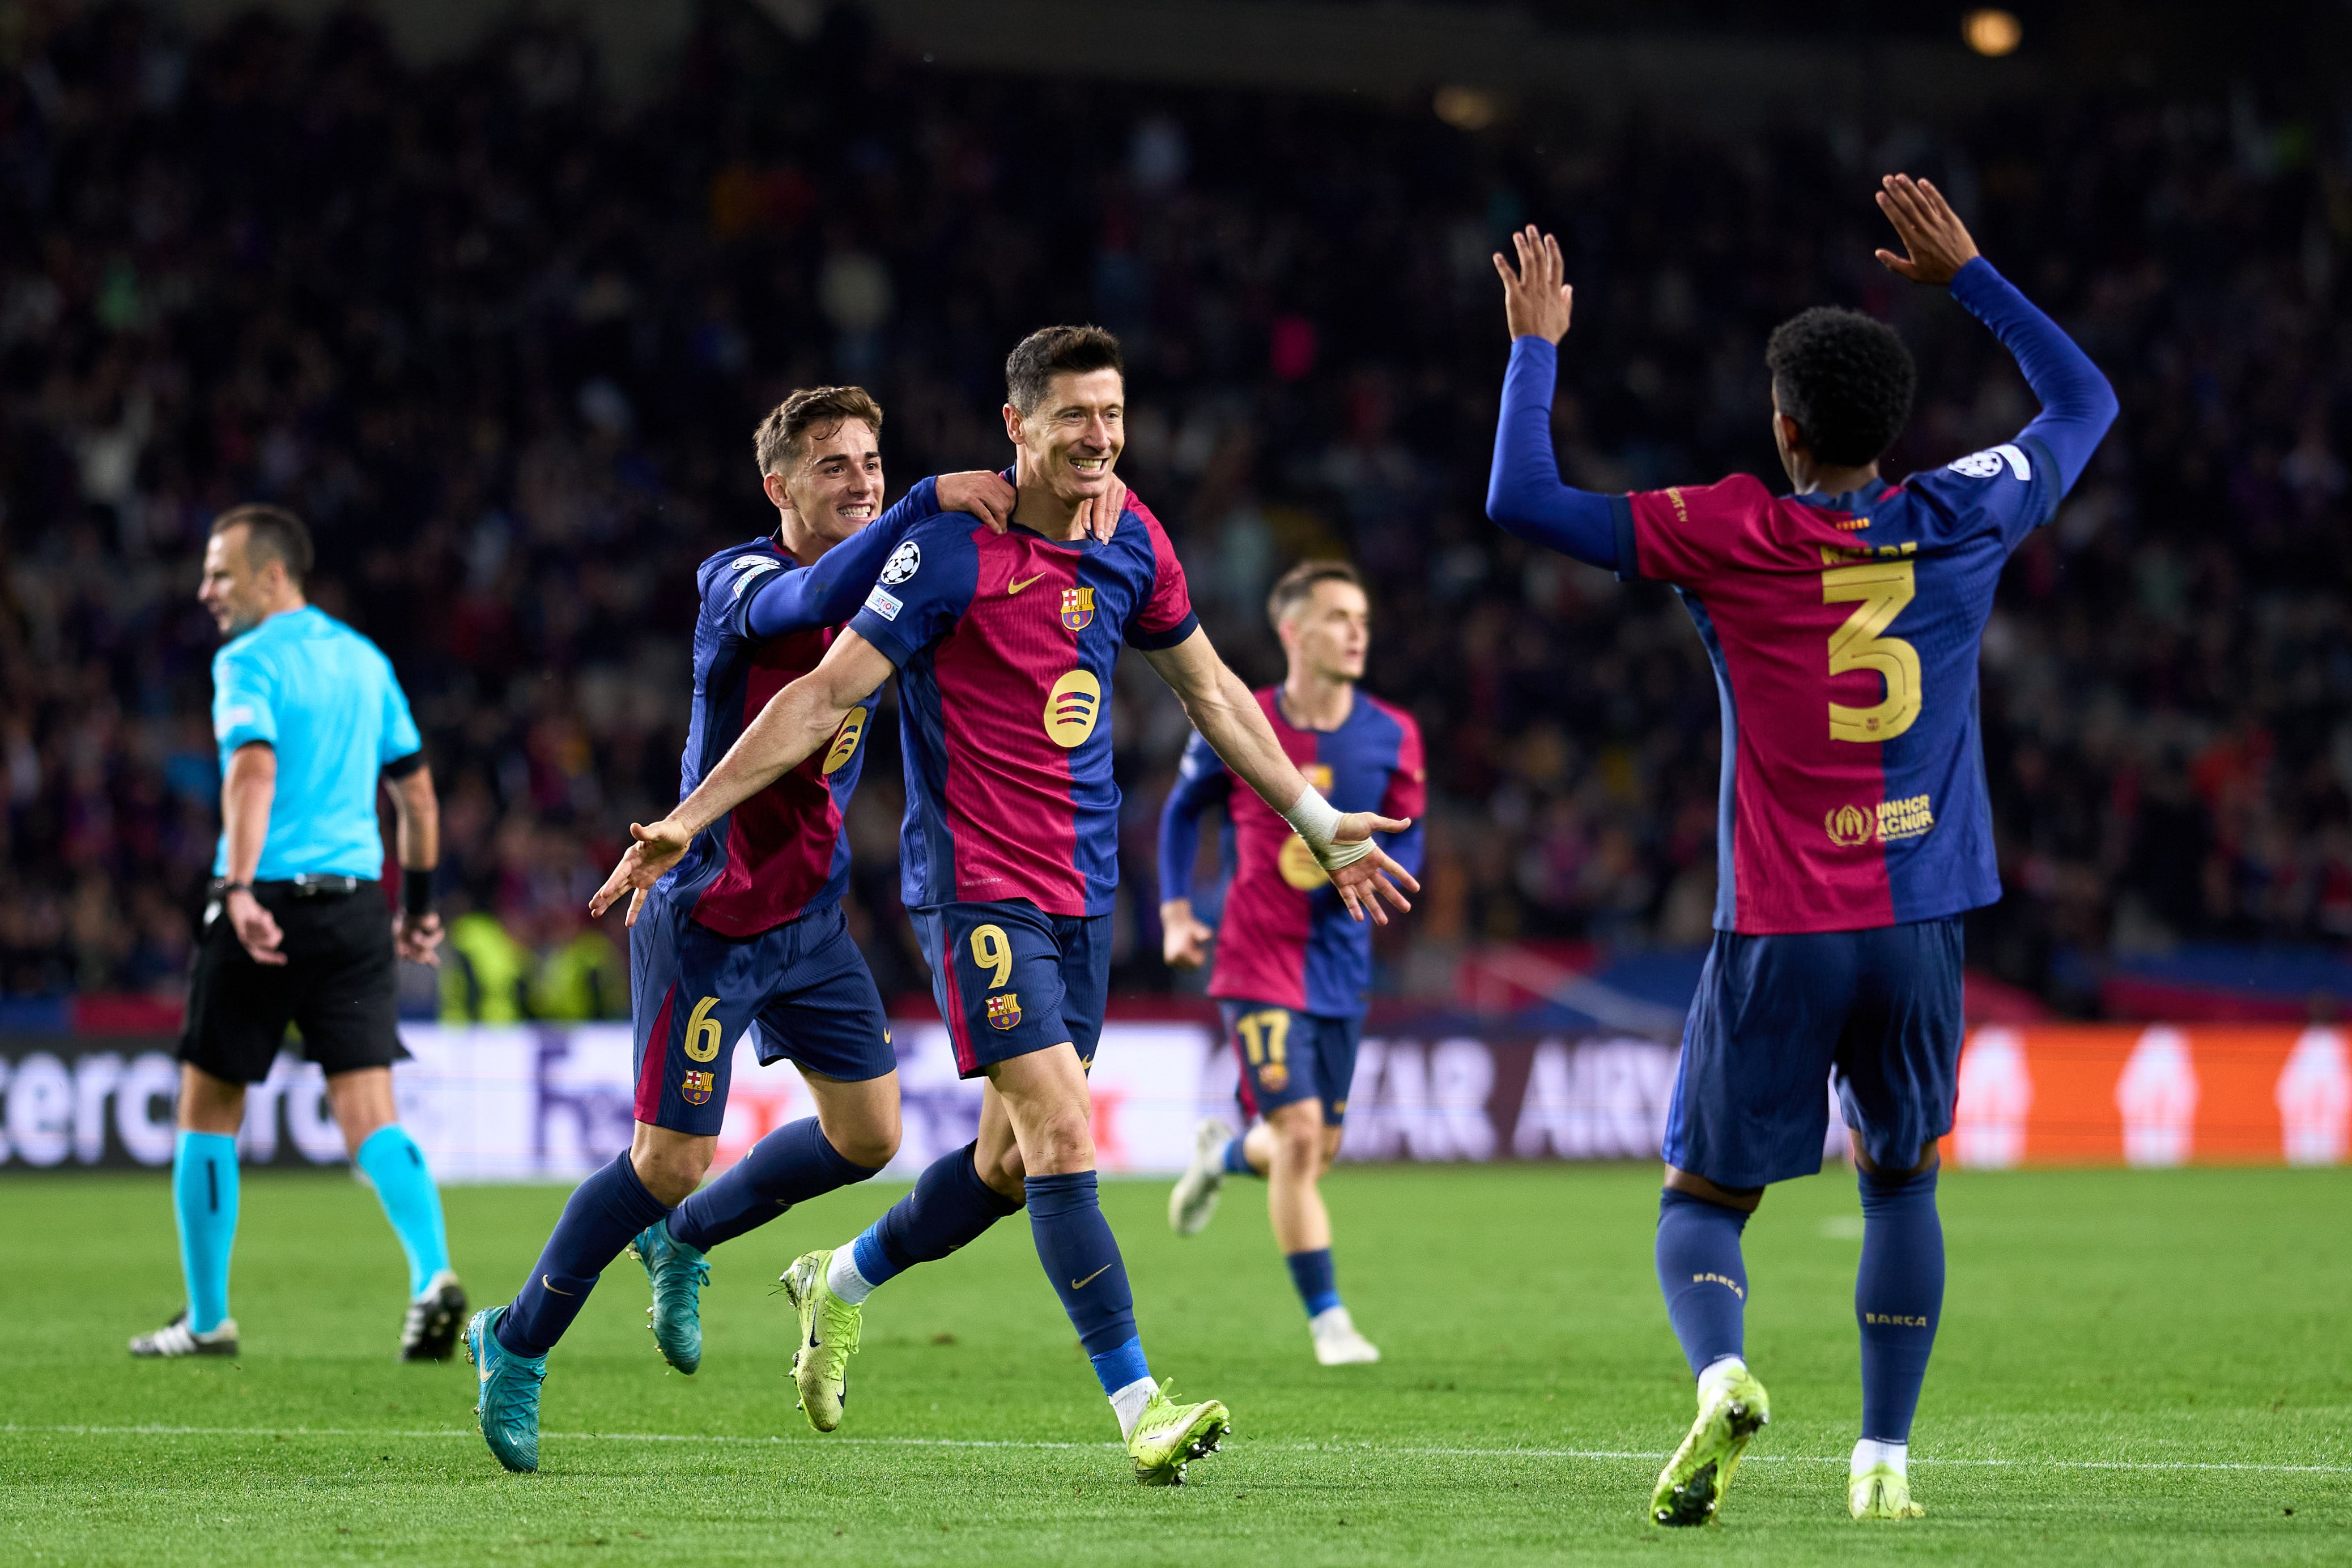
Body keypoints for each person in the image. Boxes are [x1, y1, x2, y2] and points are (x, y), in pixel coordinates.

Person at [589, 325, 1419, 1486]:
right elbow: (823, 691)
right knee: (1066, 1129)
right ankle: (1141, 1406)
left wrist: (1313, 819)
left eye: (1115, 415)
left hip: (1084, 888)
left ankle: (843, 1280)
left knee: (1011, 1168)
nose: (1101, 438)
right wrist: (694, 811)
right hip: (976, 888)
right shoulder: (945, 551)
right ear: (1018, 426)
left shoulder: (1135, 537)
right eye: (1076, 416)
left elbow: (1214, 692)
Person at [1486, 176, 2117, 1526]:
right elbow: (2086, 404)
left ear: (1783, 431)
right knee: (1902, 1180)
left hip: (1781, 925)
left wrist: (1536, 347)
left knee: (1700, 1201)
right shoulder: (1966, 511)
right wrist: (1975, 279)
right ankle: (1883, 1461)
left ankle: (1723, 1376)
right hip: (1922, 922)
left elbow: (1521, 497)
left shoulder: (1728, 527)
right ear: (1893, 428)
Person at [461, 386, 1110, 1473]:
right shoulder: (740, 580)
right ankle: (515, 1343)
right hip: (708, 912)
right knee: (665, 1159)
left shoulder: (886, 599)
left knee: (870, 1138)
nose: (858, 480)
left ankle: (688, 1241)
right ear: (779, 487)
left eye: (870, 461)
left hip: (809, 916)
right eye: (832, 467)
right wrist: (917, 505)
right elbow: (802, 597)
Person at [133, 504, 461, 1361]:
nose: (206, 589)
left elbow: (251, 771)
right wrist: (418, 908)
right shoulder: (365, 660)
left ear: (271, 574)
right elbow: (418, 798)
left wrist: (237, 887)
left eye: (220, 572)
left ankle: (208, 1322)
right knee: (369, 1115)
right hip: (355, 908)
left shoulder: (245, 661)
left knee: (208, 1109)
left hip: (265, 906)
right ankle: (433, 1275)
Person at [1159, 559, 1424, 1366]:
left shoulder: (1393, 732)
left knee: (1315, 1148)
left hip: (1340, 962)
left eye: (1364, 620)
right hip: (1255, 956)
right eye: (1340, 617)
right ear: (1294, 631)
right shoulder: (1243, 719)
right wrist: (1175, 911)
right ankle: (1330, 1322)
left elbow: (1410, 831)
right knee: (1303, 1136)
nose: (1357, 633)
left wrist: (1382, 858)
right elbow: (1182, 812)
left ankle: (1223, 1156)